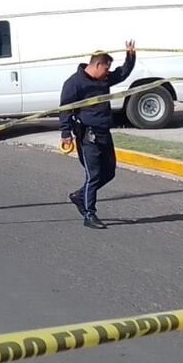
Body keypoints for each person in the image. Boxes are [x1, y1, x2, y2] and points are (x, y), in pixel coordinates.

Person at [59, 42, 136, 229]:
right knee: (93, 175)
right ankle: (89, 214)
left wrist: (131, 56)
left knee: (109, 172)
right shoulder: (74, 83)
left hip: (104, 133)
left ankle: (80, 195)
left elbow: (122, 73)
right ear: (96, 65)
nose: (108, 72)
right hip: (87, 135)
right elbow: (65, 109)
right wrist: (65, 133)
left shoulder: (104, 80)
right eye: (106, 68)